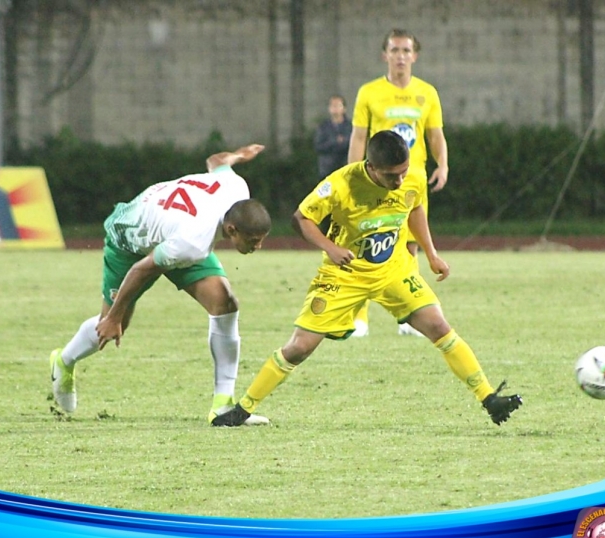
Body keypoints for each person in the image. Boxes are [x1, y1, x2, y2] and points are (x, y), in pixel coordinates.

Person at [210, 131, 522, 428]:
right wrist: (331, 248)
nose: (399, 180)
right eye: (391, 176)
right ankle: (243, 409)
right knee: (300, 347)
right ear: (371, 167)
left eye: (403, 172)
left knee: (440, 327)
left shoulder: (409, 177)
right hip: (345, 274)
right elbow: (301, 219)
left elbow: (415, 207)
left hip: (393, 270)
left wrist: (431, 253)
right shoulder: (341, 183)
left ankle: (489, 398)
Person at [49, 145, 273, 426]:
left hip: (172, 232)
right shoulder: (193, 242)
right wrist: (116, 315)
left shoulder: (236, 187)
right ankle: (64, 361)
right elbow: (142, 269)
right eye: (253, 241)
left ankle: (223, 406)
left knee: (224, 303)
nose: (259, 247)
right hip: (129, 240)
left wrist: (239, 155)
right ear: (232, 230)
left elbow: (216, 160)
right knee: (112, 323)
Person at [347, 28, 449, 338]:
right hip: (375, 180)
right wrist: (352, 174)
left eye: (406, 51)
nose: (400, 56)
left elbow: (435, 135)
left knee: (409, 247)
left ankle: (407, 316)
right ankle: (358, 318)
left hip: (413, 182)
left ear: (414, 56)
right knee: (364, 243)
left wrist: (442, 164)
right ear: (385, 55)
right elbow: (359, 136)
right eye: (394, 50)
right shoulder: (369, 92)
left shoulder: (427, 92)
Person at [313, 94, 353, 180]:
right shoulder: (323, 127)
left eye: (338, 105)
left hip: (344, 167)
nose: (335, 108)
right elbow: (318, 146)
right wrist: (335, 141)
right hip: (327, 170)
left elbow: (352, 144)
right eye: (332, 105)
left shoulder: (350, 126)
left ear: (344, 108)